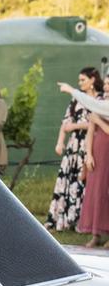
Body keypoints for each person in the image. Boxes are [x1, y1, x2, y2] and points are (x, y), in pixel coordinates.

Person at [46, 67, 103, 231]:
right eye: (79, 81)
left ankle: (81, 221)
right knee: (67, 180)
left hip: (90, 144)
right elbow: (66, 122)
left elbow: (94, 121)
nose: (80, 83)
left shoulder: (100, 100)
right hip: (73, 146)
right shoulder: (76, 100)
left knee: (83, 182)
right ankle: (60, 219)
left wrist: (76, 125)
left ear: (92, 80)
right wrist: (60, 142)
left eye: (83, 80)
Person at [77, 78, 109, 247]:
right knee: (95, 190)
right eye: (106, 83)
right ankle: (96, 233)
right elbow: (90, 131)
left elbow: (100, 125)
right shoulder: (99, 104)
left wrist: (99, 121)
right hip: (98, 150)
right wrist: (88, 154)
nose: (106, 87)